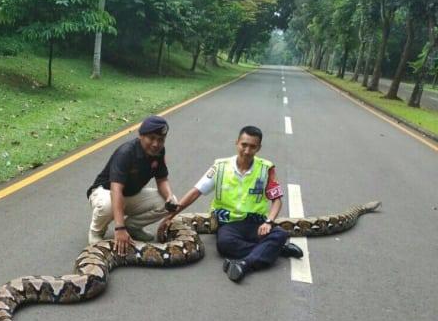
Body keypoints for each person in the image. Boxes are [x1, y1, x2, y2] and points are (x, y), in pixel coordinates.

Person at [159, 125, 302, 282]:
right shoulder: (220, 167)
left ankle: (244, 264)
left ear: (259, 148)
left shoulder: (266, 169)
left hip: (256, 224)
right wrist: (170, 216)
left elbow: (277, 201)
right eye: (244, 145)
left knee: (280, 233)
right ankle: (275, 249)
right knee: (224, 244)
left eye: (252, 147)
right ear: (237, 143)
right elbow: (196, 192)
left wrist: (269, 221)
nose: (247, 151)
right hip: (229, 224)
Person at [87, 115, 177, 255]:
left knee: (167, 202)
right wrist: (119, 228)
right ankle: (97, 231)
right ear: (141, 135)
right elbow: (115, 189)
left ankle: (132, 227)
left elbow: (162, 179)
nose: (155, 144)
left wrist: (169, 196)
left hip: (130, 194)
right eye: (151, 138)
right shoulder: (126, 152)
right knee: (108, 205)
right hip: (104, 192)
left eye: (160, 140)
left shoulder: (158, 152)